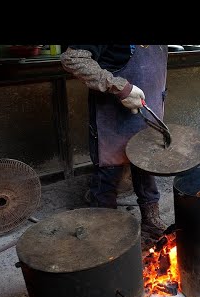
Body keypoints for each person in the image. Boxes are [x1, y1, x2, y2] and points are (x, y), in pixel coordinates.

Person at [60, 45, 168, 240]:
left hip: (147, 113)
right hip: (112, 118)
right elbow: (72, 58)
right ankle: (105, 233)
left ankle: (151, 222)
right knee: (108, 176)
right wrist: (120, 87)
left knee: (146, 168)